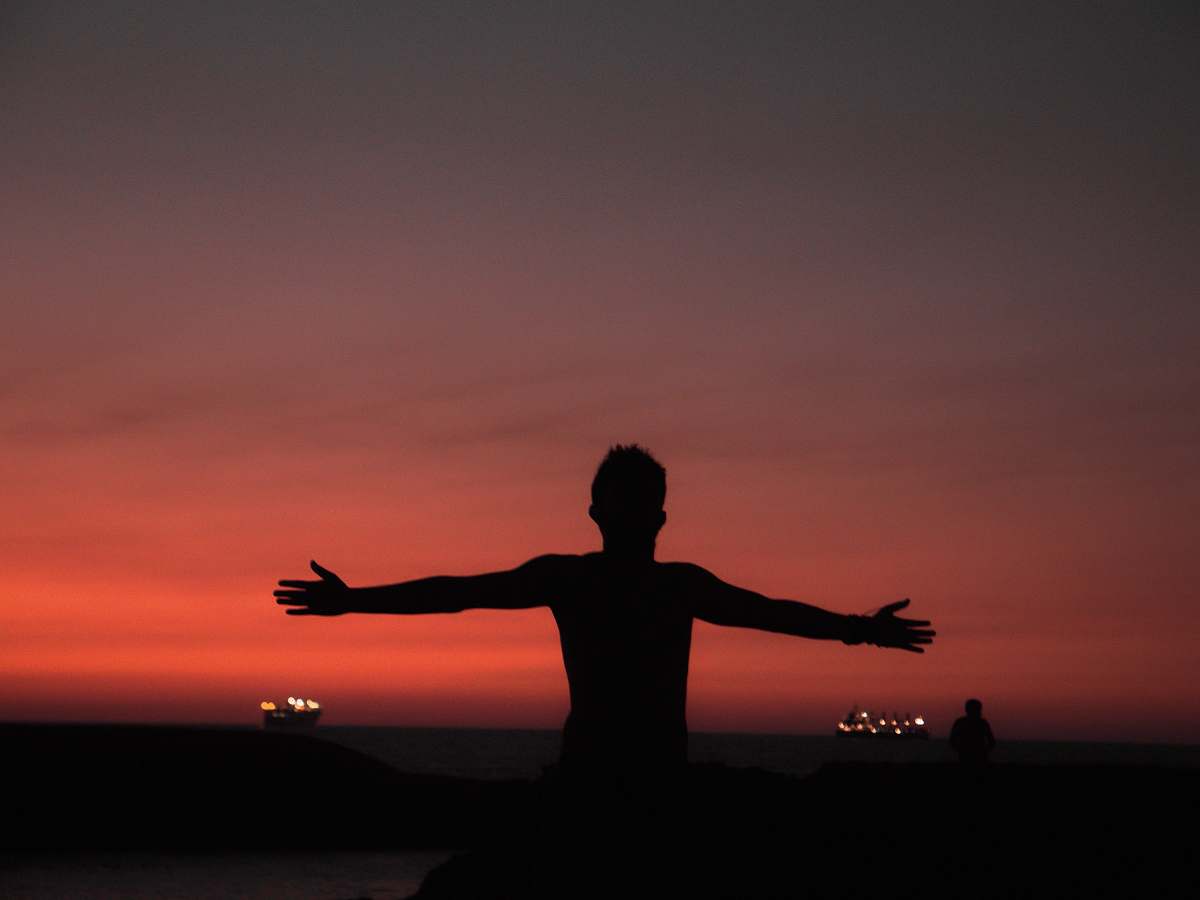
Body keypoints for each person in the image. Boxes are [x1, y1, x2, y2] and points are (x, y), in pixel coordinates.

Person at [274, 444, 935, 779]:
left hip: (658, 779)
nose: (629, 513)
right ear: (597, 512)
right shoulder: (571, 578)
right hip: (589, 775)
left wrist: (859, 630)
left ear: (660, 516)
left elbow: (771, 613)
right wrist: (355, 600)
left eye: (640, 501)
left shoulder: (680, 586)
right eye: (620, 500)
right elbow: (458, 591)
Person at [949, 698, 996, 764]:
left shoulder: (960, 722)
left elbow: (952, 741)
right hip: (979, 757)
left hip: (966, 757)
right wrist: (983, 751)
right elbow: (992, 742)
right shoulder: (982, 723)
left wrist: (961, 750)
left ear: (966, 709)